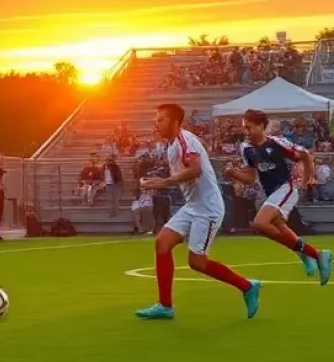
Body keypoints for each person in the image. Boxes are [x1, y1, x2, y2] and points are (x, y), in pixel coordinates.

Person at [137, 104, 260, 321]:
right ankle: (165, 306)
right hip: (193, 205)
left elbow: (195, 170)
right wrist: (158, 181)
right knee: (162, 243)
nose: (157, 123)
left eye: (161, 119)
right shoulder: (172, 145)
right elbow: (186, 172)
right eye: (156, 119)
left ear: (175, 122)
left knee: (197, 262)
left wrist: (163, 182)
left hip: (207, 208)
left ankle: (247, 286)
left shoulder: (185, 140)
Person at [224, 110, 332, 285]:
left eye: (249, 128)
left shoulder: (276, 143)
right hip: (271, 194)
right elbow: (250, 179)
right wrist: (233, 173)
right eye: (245, 128)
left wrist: (308, 178)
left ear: (261, 126)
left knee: (260, 223)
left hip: (285, 189)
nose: (247, 132)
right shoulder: (247, 149)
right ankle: (308, 255)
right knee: (279, 229)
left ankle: (316, 254)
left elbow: (304, 154)